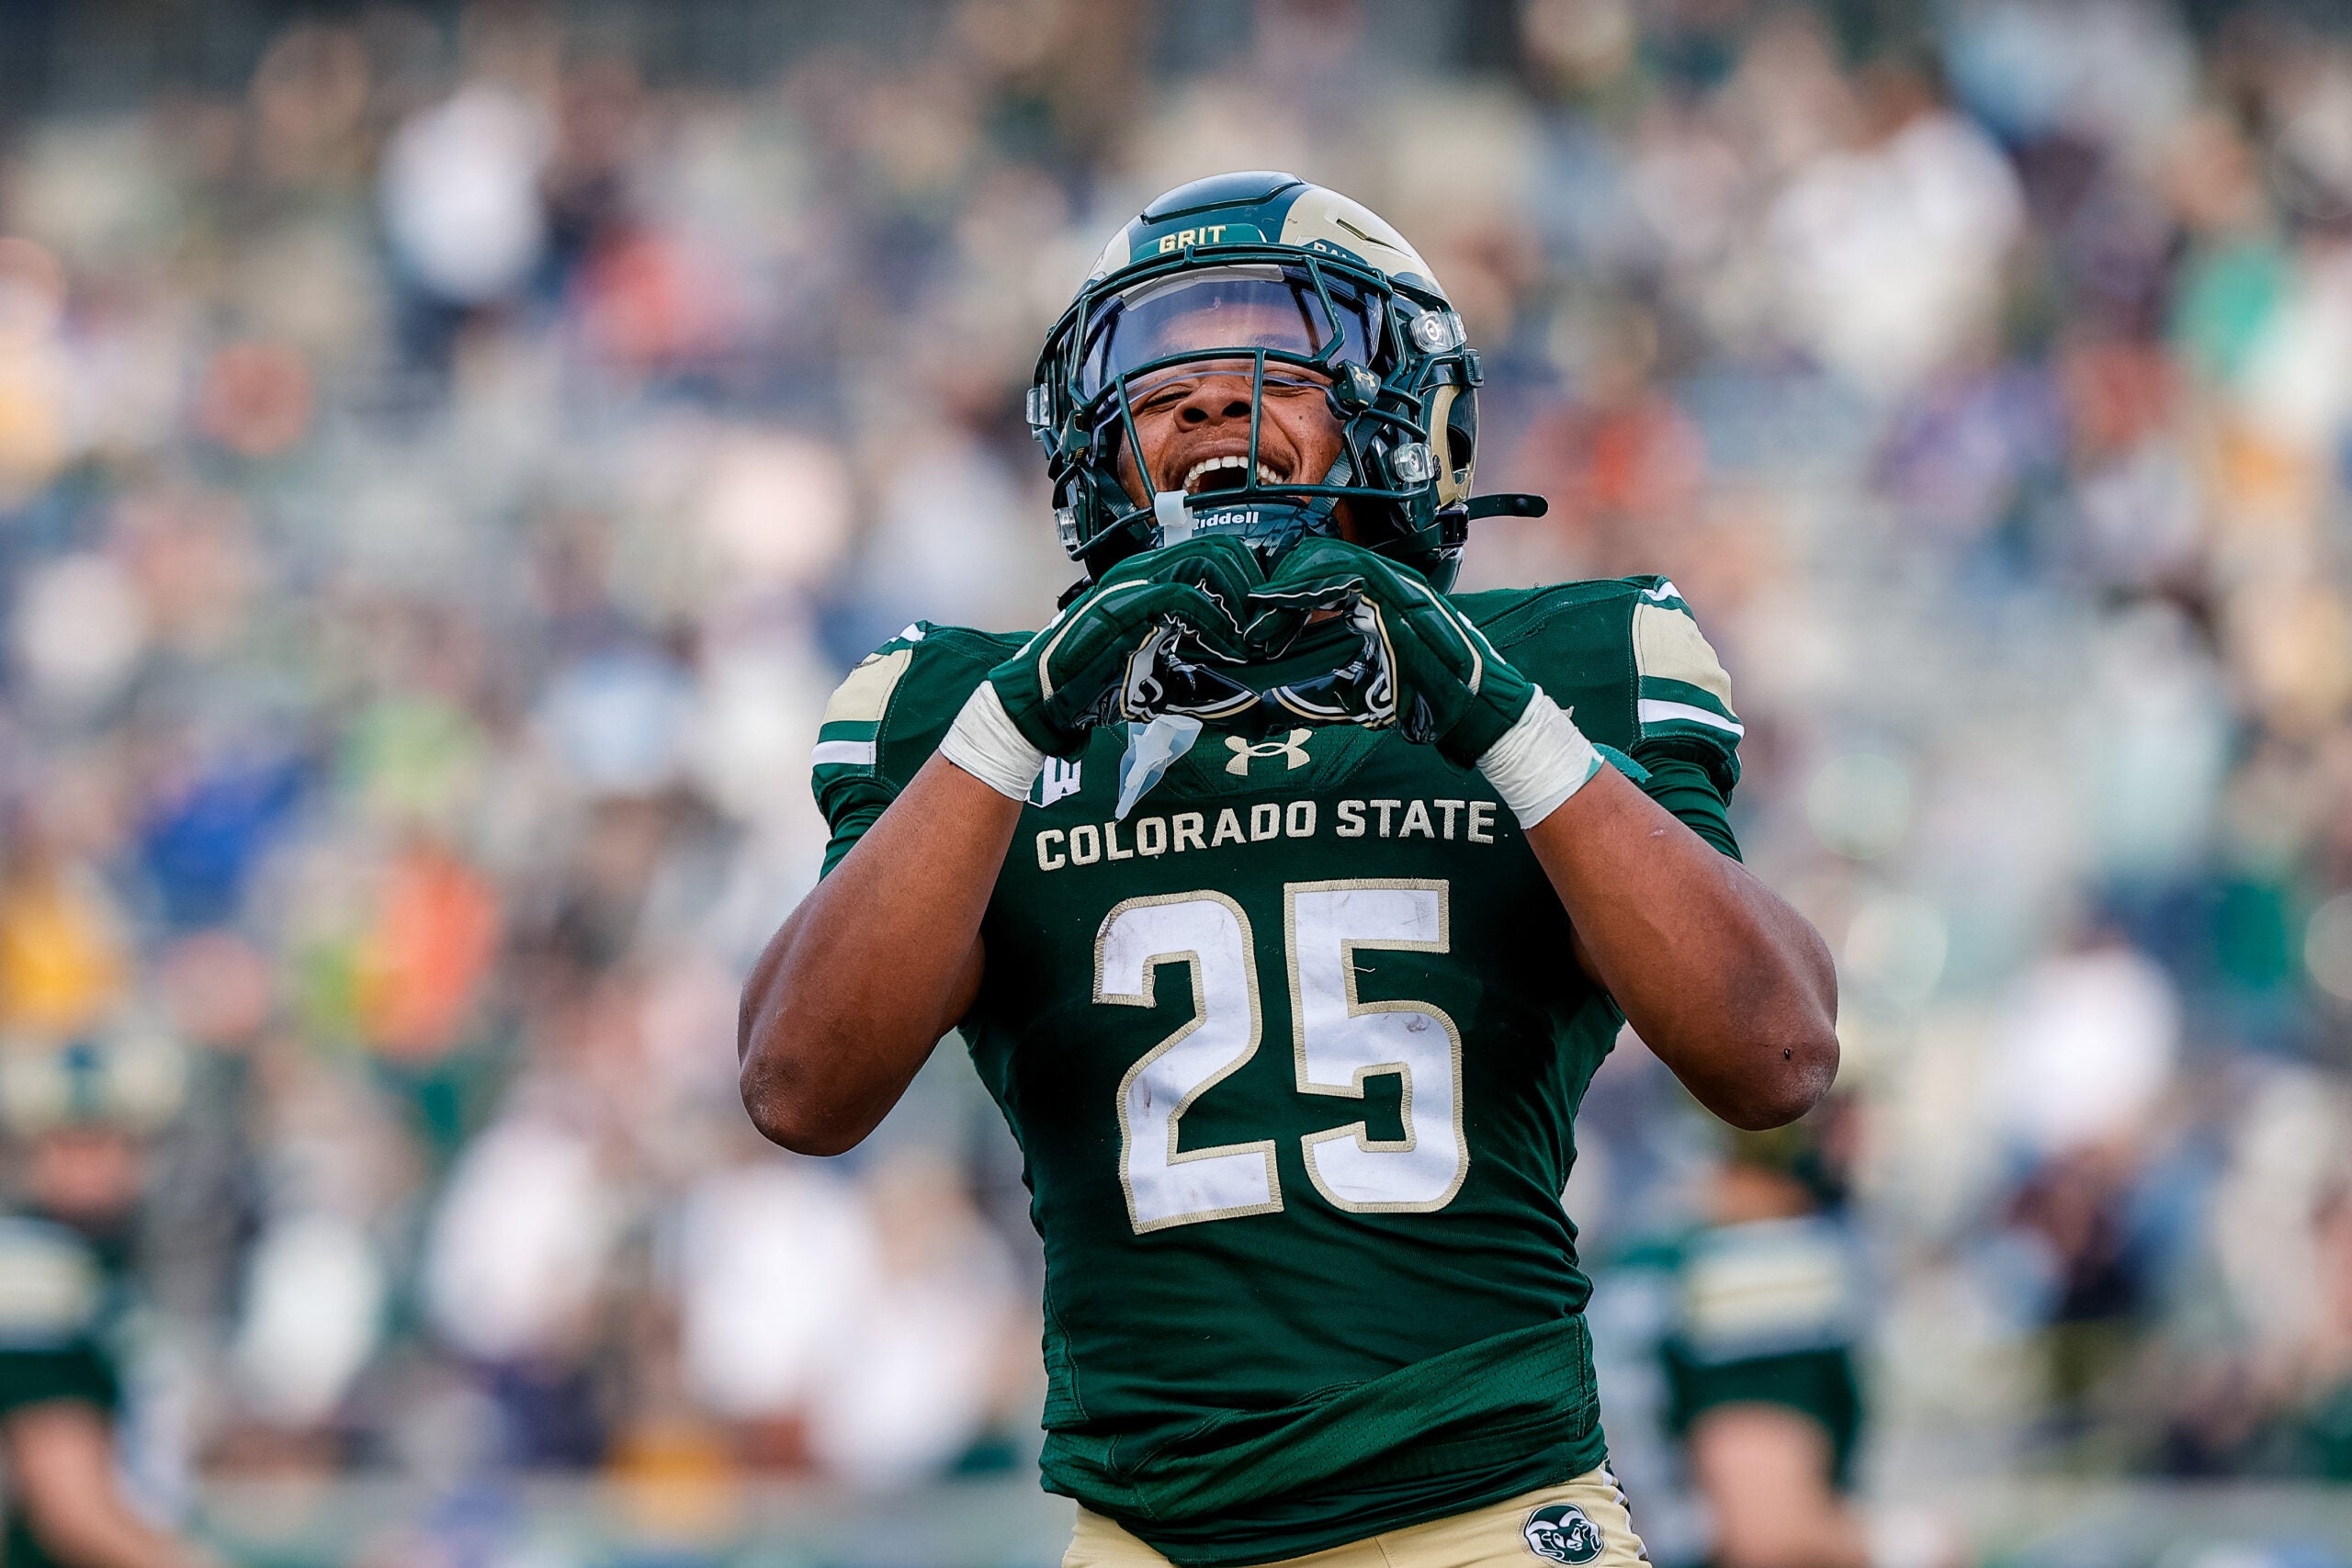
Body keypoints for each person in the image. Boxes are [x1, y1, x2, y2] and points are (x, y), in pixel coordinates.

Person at [740, 171, 1839, 1568]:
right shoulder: (964, 712)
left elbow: (1777, 1054)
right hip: (1143, 1534)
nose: (1205, 399)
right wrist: (1023, 712)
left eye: (1272, 353)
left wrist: (1489, 709)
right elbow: (799, 1086)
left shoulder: (1572, 662)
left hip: (1485, 1518)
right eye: (1157, 381)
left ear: (1407, 412)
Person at [0, 1034, 211, 1568]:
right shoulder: (31, 1272)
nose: (95, 1168)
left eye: (111, 1142)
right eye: (72, 1145)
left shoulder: (99, 1270)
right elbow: (69, 1506)